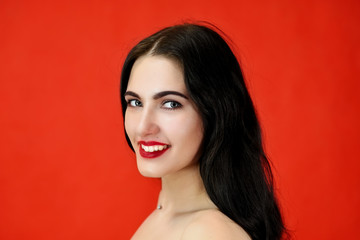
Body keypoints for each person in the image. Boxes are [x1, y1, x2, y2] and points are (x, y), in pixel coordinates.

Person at [120, 22, 286, 240]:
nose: (142, 127)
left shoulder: (209, 233)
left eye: (170, 104)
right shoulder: (168, 212)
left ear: (215, 112)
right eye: (135, 103)